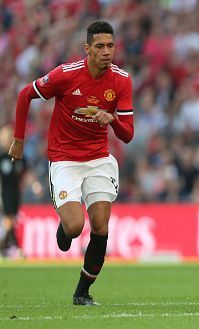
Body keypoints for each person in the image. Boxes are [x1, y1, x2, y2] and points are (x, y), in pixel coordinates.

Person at [9, 20, 134, 305]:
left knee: (101, 225)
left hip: (99, 158)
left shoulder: (122, 80)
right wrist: (18, 139)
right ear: (87, 49)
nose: (106, 52)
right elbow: (24, 94)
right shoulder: (66, 75)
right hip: (65, 159)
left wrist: (112, 119)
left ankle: (82, 292)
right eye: (100, 46)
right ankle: (65, 227)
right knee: (76, 226)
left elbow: (127, 135)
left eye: (111, 46)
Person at [0, 125, 26, 258]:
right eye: (4, 137)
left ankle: (4, 248)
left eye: (9, 136)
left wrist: (32, 184)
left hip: (16, 193)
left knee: (11, 220)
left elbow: (27, 171)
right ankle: (15, 247)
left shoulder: (18, 155)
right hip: (4, 192)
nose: (7, 139)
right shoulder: (1, 157)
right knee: (9, 219)